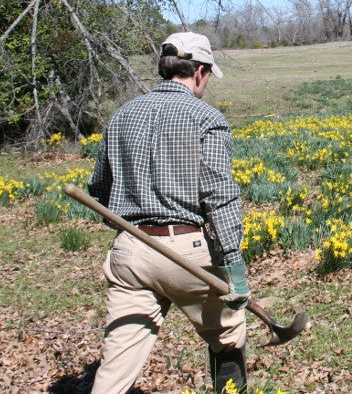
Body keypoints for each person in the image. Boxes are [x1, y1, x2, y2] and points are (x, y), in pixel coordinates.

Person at [87, 31, 250, 394]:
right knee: (228, 329)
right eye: (208, 76)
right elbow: (219, 195)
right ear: (199, 71)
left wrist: (129, 227)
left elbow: (98, 188)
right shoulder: (206, 117)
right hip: (184, 250)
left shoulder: (123, 114)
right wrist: (234, 266)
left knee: (118, 360)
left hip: (129, 251)